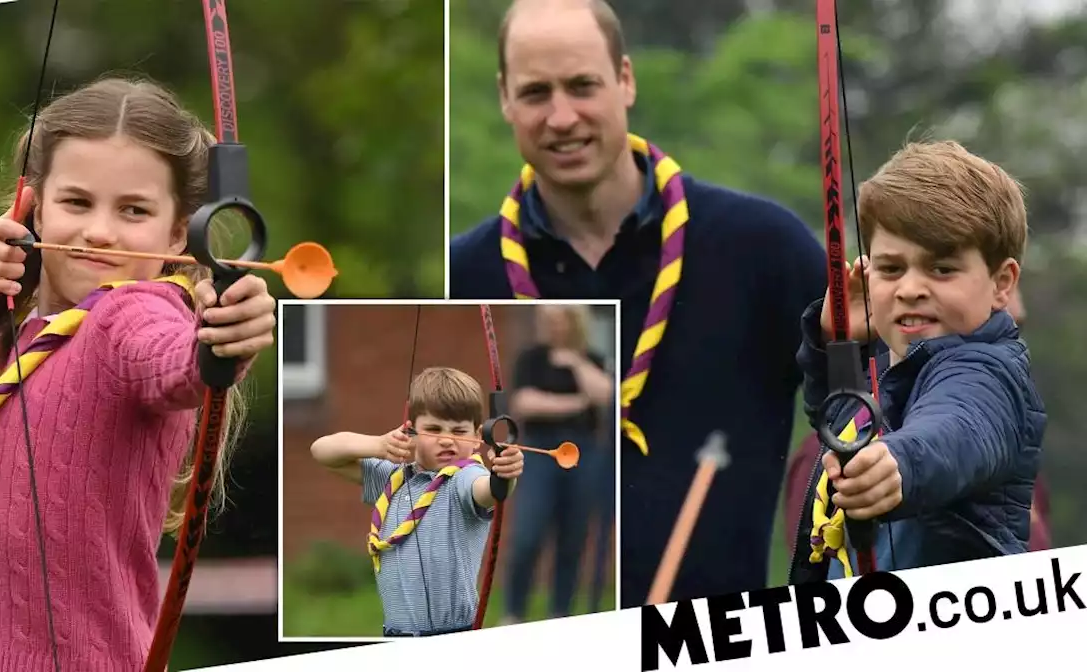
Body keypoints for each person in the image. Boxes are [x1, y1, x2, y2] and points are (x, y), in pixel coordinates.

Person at [0, 77, 278, 671]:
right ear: (32, 205)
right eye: (77, 202)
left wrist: (225, 339)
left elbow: (176, 365)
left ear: (179, 234)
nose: (99, 230)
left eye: (134, 210)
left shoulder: (131, 315)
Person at [448, 0, 827, 605]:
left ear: (625, 79)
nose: (562, 116)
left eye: (582, 86)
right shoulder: (460, 274)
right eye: (536, 92)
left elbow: (876, 410)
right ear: (504, 98)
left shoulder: (767, 248)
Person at [787, 140, 1046, 584]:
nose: (910, 288)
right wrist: (838, 345)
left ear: (1002, 284)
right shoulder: (893, 364)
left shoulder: (988, 371)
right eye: (891, 269)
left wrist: (898, 463)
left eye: (941, 269)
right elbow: (840, 419)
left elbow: (959, 427)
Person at [782, 286, 1053, 556]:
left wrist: (902, 463)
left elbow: (961, 424)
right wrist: (840, 352)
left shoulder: (1006, 439)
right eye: (993, 321)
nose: (1014, 349)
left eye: (1016, 328)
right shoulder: (829, 451)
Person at [309, 367, 524, 636]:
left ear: (477, 437)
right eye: (434, 429)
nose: (447, 439)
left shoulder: (464, 478)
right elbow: (322, 451)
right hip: (395, 634)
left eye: (458, 431)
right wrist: (378, 445)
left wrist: (505, 472)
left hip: (452, 634)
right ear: (410, 432)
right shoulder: (393, 479)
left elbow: (490, 490)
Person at [501, 305, 613, 623]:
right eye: (545, 320)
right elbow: (526, 404)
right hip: (539, 451)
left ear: (574, 322)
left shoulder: (591, 358)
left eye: (556, 320)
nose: (549, 326)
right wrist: (578, 402)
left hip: (585, 453)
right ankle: (513, 613)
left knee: (573, 537)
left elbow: (605, 396)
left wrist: (575, 361)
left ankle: (560, 613)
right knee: (527, 534)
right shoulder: (532, 359)